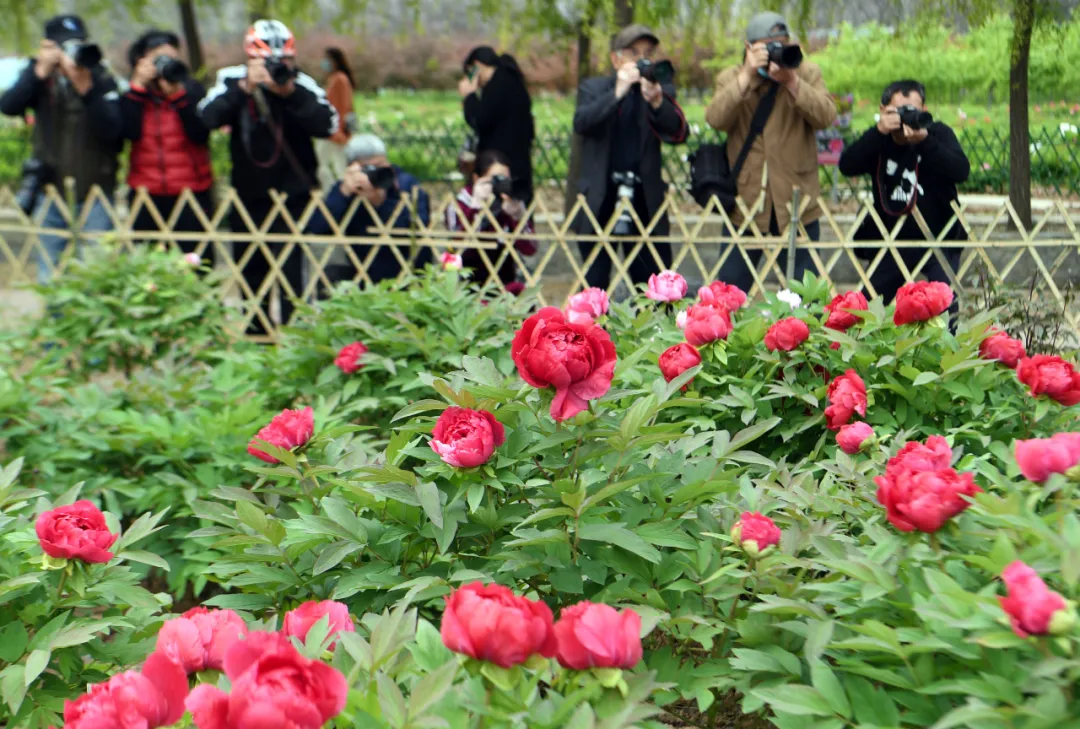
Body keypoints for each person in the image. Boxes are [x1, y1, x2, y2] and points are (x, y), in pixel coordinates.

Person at [197, 19, 338, 336]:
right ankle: (257, 340)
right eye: (268, 60)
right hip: (248, 196)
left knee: (293, 277)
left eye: (284, 59)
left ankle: (295, 339)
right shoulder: (232, 79)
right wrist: (247, 87)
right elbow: (206, 117)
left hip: (294, 197)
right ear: (250, 58)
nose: (277, 65)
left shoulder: (301, 83)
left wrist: (289, 92)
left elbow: (328, 125)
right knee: (251, 273)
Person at [704, 11, 837, 291]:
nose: (777, 52)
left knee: (806, 297)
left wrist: (792, 82)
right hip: (747, 202)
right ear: (749, 48)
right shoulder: (731, 77)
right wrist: (746, 76)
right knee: (728, 295)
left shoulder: (806, 73)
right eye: (769, 46)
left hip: (797, 202)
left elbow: (826, 116)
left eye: (782, 44)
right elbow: (715, 119)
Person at [0, 14, 123, 284]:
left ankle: (96, 327)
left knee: (97, 275)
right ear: (47, 47)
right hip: (50, 190)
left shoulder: (101, 76)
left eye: (76, 45)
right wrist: (39, 72)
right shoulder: (38, 77)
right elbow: (9, 106)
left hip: (95, 190)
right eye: (63, 46)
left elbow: (114, 131)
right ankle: (55, 324)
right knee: (50, 276)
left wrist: (87, 90)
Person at [571, 24, 688, 292]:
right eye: (633, 53)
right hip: (600, 198)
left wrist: (658, 101)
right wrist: (618, 91)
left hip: (644, 196)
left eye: (648, 53)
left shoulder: (659, 88)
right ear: (616, 59)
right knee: (594, 285)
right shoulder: (595, 88)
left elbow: (679, 132)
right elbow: (582, 123)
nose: (642, 59)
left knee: (651, 286)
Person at [838, 79, 970, 303]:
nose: (906, 117)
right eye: (900, 111)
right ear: (883, 110)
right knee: (868, 308)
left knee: (944, 309)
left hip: (938, 238)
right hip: (891, 240)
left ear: (924, 111)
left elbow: (961, 171)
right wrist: (879, 131)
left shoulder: (938, 134)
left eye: (913, 111)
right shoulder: (879, 140)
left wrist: (925, 142)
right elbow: (847, 165)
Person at [121, 29, 213, 261]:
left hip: (190, 190)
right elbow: (126, 132)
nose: (165, 64)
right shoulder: (134, 95)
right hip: (146, 192)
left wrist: (178, 96)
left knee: (195, 262)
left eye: (171, 57)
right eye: (158, 58)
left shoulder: (191, 90)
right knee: (146, 265)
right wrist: (138, 87)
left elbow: (200, 134)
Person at [308, 134, 431, 286]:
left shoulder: (405, 184)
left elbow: (418, 226)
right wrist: (343, 193)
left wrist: (381, 203)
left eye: (381, 165)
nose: (376, 173)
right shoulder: (348, 188)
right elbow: (318, 227)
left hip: (408, 273)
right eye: (369, 168)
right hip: (363, 275)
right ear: (353, 167)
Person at [445, 148, 535, 292]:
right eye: (495, 180)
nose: (501, 185)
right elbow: (457, 248)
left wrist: (518, 218)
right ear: (476, 179)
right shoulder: (459, 205)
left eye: (505, 180)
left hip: (506, 286)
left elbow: (530, 249)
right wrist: (476, 208)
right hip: (468, 285)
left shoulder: (511, 201)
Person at [459, 46, 534, 204]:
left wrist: (469, 97)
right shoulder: (509, 81)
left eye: (470, 72)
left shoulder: (498, 85)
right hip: (517, 163)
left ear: (477, 66)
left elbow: (480, 120)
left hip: (502, 165)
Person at [316, 47, 356, 190]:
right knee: (336, 165)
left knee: (326, 165)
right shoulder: (333, 79)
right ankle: (339, 193)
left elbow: (345, 105)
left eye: (328, 59)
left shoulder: (340, 79)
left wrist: (338, 129)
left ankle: (336, 195)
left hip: (334, 130)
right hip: (330, 128)